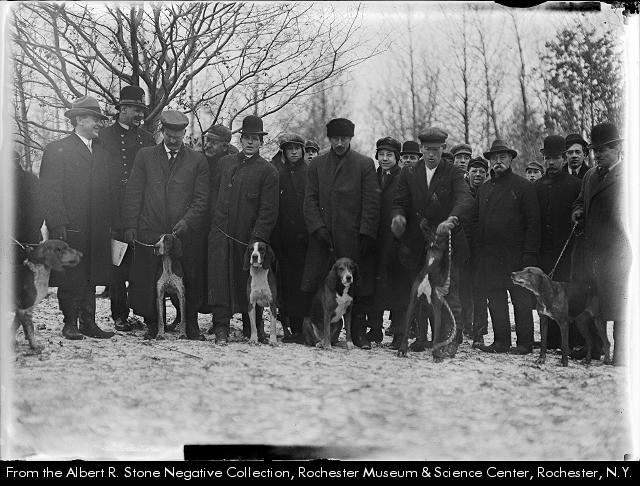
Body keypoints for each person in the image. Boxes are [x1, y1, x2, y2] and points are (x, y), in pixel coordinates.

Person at [122, 110, 210, 340]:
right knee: (148, 279)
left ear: (184, 134)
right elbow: (134, 192)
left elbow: (201, 199)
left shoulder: (197, 161)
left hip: (184, 234)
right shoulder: (145, 156)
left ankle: (190, 323)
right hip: (150, 229)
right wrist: (131, 224)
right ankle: (153, 323)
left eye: (177, 137)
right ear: (162, 131)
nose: (173, 140)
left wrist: (187, 222)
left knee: (189, 278)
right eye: (169, 136)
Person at [391, 127, 474, 356]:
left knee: (449, 293)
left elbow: (465, 198)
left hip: (447, 243)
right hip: (417, 244)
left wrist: (452, 218)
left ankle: (450, 340)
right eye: (427, 149)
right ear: (421, 149)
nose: (431, 154)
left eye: (436, 150)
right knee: (418, 291)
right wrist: (398, 217)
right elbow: (399, 202)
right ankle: (421, 338)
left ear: (443, 149)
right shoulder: (409, 172)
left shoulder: (453, 172)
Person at [39, 95, 114, 340]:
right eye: (95, 119)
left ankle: (88, 322)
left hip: (97, 227)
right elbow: (49, 190)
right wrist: (57, 223)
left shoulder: (102, 151)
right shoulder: (57, 149)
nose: (100, 124)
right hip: (69, 227)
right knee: (70, 275)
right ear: (80, 119)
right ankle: (70, 323)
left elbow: (108, 190)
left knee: (91, 274)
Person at [302, 117, 380, 349]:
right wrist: (318, 228)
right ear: (329, 139)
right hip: (323, 239)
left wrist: (366, 233)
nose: (339, 143)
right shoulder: (317, 165)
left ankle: (357, 333)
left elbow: (371, 202)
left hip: (352, 238)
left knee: (356, 289)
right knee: (320, 286)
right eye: (335, 139)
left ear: (350, 139)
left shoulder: (364, 164)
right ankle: (318, 332)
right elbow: (310, 200)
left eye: (344, 139)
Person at [208, 115, 279, 345]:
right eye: (247, 137)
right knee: (220, 280)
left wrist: (256, 239)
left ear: (261, 142)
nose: (250, 142)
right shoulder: (225, 163)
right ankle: (221, 327)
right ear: (241, 139)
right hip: (221, 233)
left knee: (250, 282)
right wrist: (215, 223)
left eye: (255, 139)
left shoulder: (268, 171)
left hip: (248, 240)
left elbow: (268, 211)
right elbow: (212, 194)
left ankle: (253, 327)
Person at [472, 139, 540, 354]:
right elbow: (477, 222)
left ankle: (525, 343)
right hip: (490, 257)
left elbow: (533, 223)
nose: (498, 161)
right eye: (494, 158)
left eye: (502, 157)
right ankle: (501, 341)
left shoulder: (523, 187)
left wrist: (529, 255)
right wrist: (478, 254)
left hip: (516, 256)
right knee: (495, 299)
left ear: (511, 159)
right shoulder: (484, 189)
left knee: (521, 300)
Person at [572, 122, 630, 366]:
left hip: (618, 252)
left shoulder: (629, 176)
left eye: (603, 150)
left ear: (617, 149)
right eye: (595, 150)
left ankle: (622, 353)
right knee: (594, 303)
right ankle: (594, 349)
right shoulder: (589, 176)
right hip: (592, 252)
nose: (597, 155)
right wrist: (577, 212)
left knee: (619, 305)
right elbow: (579, 201)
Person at [100, 85, 155, 332]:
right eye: (135, 109)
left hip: (141, 213)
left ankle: (143, 312)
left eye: (142, 110)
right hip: (113, 213)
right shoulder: (103, 137)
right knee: (117, 267)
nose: (140, 114)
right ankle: (119, 315)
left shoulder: (147, 139)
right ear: (122, 108)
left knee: (141, 267)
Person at [533, 135, 589, 352]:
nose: (551, 162)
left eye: (555, 158)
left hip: (568, 251)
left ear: (563, 159)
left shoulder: (576, 185)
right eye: (547, 158)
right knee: (546, 294)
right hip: (544, 252)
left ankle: (573, 341)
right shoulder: (537, 186)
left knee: (567, 296)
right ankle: (551, 340)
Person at [366, 137, 407, 346]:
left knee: (398, 286)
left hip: (396, 241)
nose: (384, 159)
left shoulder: (404, 178)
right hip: (375, 240)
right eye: (381, 154)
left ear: (397, 157)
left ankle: (399, 332)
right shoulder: (372, 177)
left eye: (389, 155)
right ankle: (375, 329)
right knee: (375, 286)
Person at [271, 133, 309, 342]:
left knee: (303, 282)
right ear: (284, 152)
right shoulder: (279, 173)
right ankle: (290, 326)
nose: (293, 152)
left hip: (306, 239)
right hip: (284, 238)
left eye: (297, 148)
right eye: (289, 149)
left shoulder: (310, 172)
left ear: (302, 150)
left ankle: (303, 328)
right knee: (285, 282)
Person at [460, 156, 489, 343]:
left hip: (483, 252)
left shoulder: (489, 191)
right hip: (463, 250)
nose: (478, 174)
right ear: (468, 173)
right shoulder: (461, 191)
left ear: (486, 174)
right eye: (474, 171)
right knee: (462, 291)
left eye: (481, 172)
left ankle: (479, 332)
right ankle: (462, 328)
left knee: (481, 292)